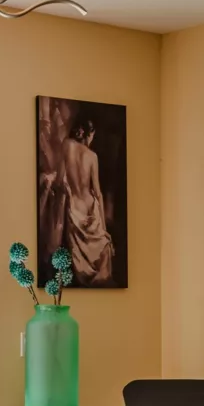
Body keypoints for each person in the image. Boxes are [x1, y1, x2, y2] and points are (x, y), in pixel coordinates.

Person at [58, 117, 115, 285]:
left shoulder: (66, 145)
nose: (92, 140)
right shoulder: (92, 156)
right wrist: (103, 229)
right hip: (91, 210)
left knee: (75, 269)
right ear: (88, 134)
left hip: (74, 210)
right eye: (92, 136)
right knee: (102, 255)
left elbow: (59, 182)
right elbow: (98, 193)